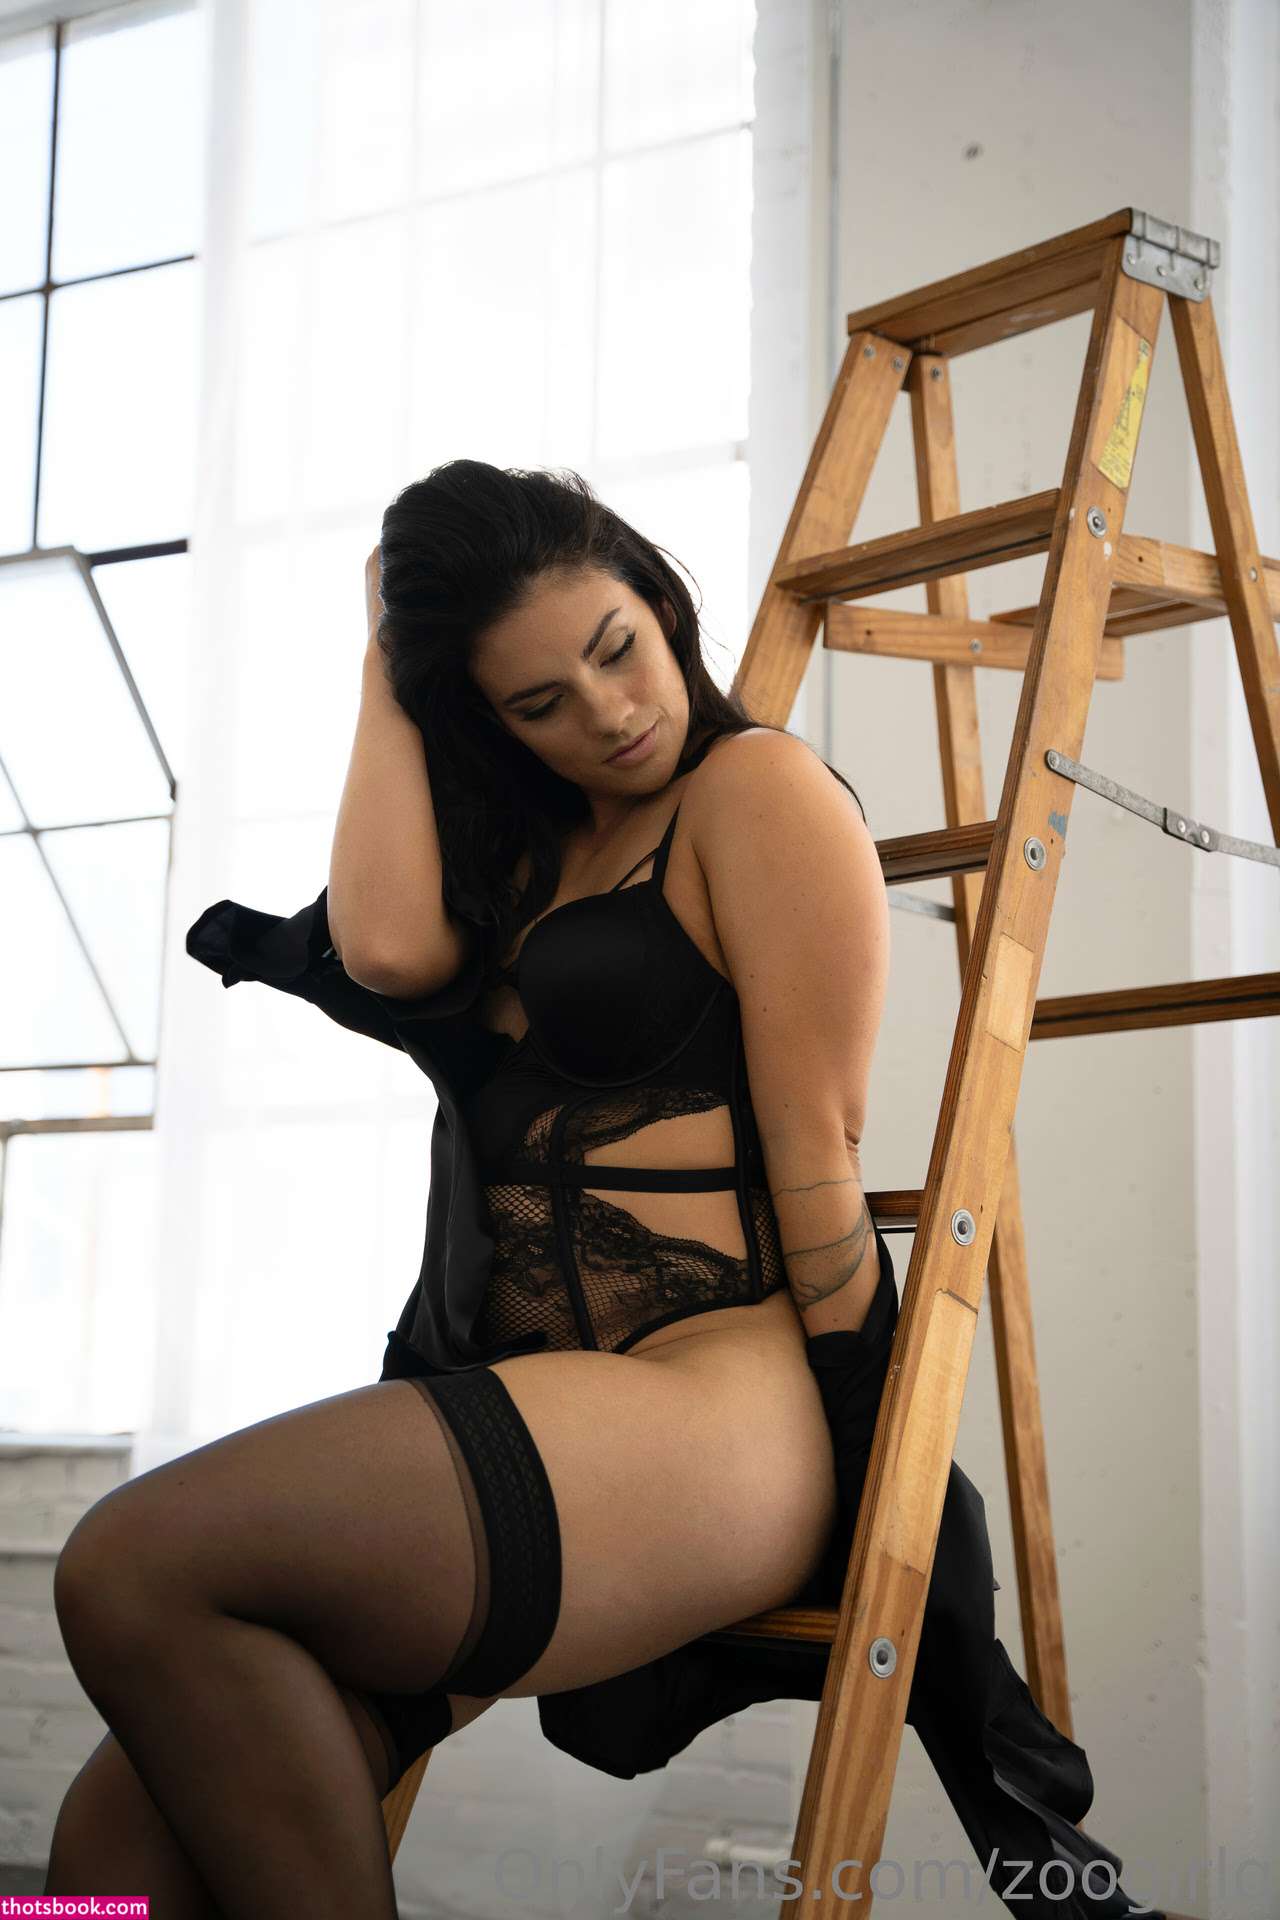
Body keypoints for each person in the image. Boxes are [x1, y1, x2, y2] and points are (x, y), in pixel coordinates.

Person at [44, 462, 1161, 1920]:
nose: (611, 711)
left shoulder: (754, 794)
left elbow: (818, 1161)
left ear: (657, 599)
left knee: (129, 1568)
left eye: (617, 648)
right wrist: (387, 659)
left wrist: (881, 1478)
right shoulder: (529, 847)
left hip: (720, 1406)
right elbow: (386, 949)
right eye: (538, 702)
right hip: (541, 1402)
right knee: (106, 1865)